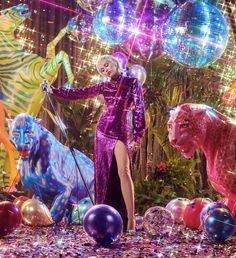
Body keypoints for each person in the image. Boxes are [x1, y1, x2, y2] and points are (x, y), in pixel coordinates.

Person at [43, 55, 146, 231]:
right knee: (103, 175)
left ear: (115, 63)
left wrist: (137, 136)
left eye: (106, 65)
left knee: (124, 171)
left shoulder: (132, 83)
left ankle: (130, 219)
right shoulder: (103, 86)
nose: (106, 70)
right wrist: (53, 90)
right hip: (103, 132)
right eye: (102, 69)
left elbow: (139, 110)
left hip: (121, 131)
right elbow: (78, 93)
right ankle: (104, 217)